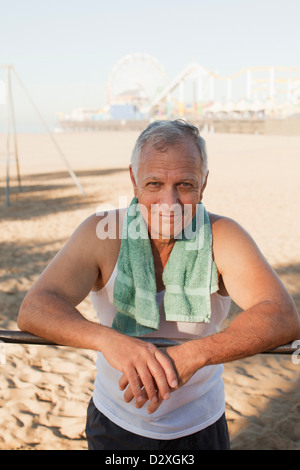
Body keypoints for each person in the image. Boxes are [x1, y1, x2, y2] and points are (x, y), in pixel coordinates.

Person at [18, 120, 300, 451]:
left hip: (201, 425)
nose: (170, 203)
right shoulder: (100, 232)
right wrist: (109, 342)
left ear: (204, 182)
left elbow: (281, 314)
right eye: (154, 183)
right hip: (115, 422)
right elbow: (35, 308)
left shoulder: (224, 236)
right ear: (133, 180)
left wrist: (194, 354)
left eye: (184, 184)